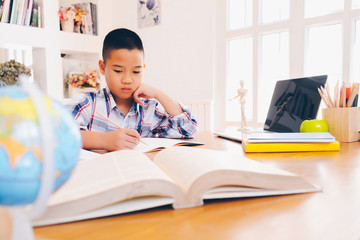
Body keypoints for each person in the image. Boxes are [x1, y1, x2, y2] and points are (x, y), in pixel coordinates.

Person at [69, 28, 198, 151]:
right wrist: (105, 140)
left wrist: (158, 94)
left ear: (143, 68)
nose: (127, 80)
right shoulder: (88, 102)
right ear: (103, 67)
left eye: (136, 71)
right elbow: (61, 134)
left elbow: (189, 129)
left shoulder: (150, 109)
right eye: (118, 71)